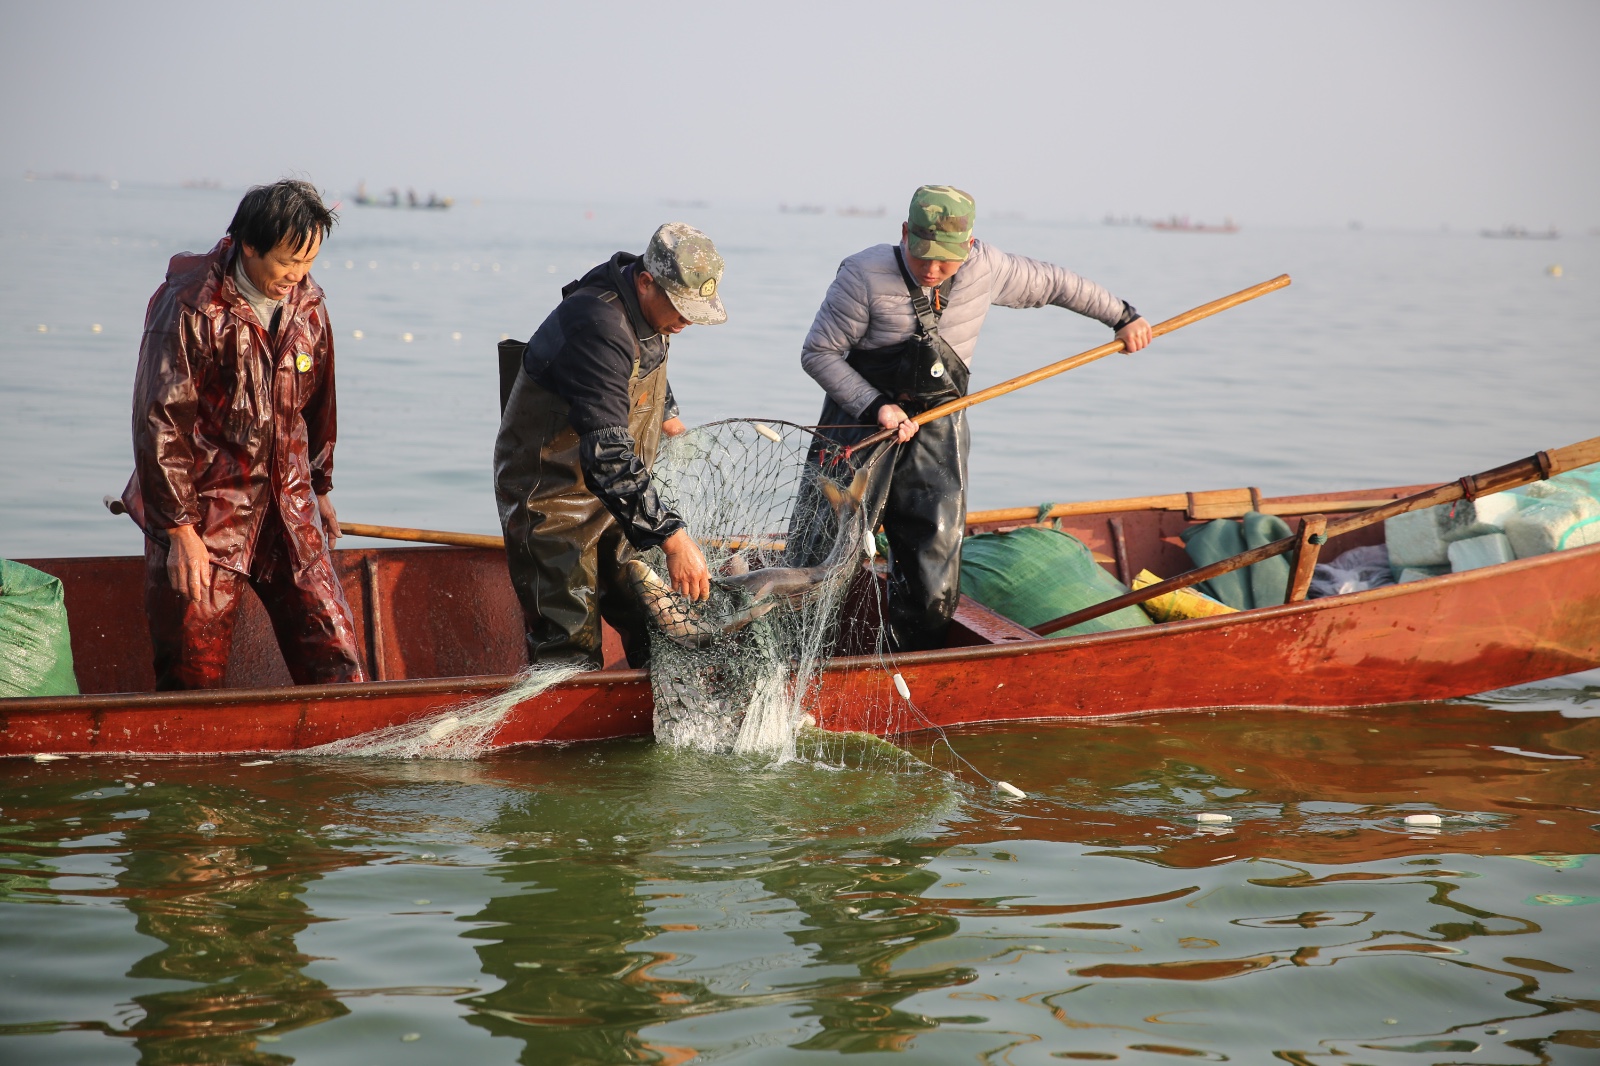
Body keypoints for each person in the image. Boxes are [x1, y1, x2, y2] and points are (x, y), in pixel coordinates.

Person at [800, 185, 1153, 651]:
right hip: (859, 427)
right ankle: (796, 658)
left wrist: (1122, 317)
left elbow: (1057, 284)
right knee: (820, 563)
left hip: (937, 429)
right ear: (904, 233)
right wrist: (877, 407)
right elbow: (819, 353)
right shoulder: (863, 275)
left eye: (945, 261)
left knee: (933, 580)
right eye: (921, 254)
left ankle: (913, 664)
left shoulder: (987, 268)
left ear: (968, 246)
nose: (931, 269)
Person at [120, 179, 366, 690]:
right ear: (249, 245)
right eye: (286, 262)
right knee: (192, 677)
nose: (296, 276)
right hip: (206, 515)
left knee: (337, 661)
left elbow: (319, 409)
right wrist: (178, 529)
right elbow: (159, 421)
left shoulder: (310, 307)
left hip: (289, 506)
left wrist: (319, 490)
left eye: (308, 263)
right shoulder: (190, 306)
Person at [493, 223, 725, 668]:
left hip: (616, 498)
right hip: (553, 503)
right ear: (645, 281)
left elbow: (634, 366)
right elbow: (608, 454)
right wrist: (672, 538)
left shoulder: (650, 312)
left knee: (658, 623)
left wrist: (667, 411)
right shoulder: (598, 322)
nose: (687, 320)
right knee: (570, 649)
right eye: (681, 306)